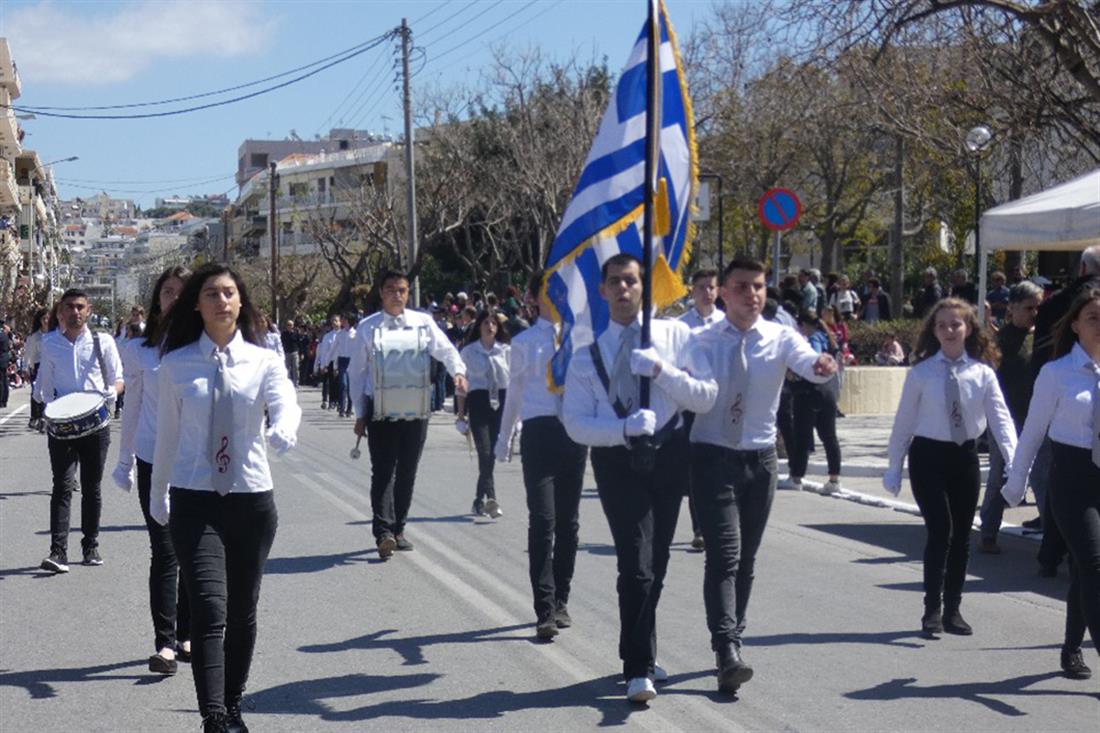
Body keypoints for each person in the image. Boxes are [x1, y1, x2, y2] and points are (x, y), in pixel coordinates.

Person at [150, 263, 301, 733]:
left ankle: (233, 703)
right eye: (211, 293)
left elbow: (287, 402)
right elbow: (166, 440)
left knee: (242, 611)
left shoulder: (264, 361)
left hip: (251, 499)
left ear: (241, 302)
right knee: (210, 609)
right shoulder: (175, 366)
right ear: (197, 303)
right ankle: (213, 715)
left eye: (229, 293)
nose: (221, 301)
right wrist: (158, 496)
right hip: (195, 500)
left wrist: (283, 429)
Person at [562, 253, 714, 703]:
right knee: (636, 561)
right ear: (603, 290)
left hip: (670, 454)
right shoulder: (588, 353)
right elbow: (575, 422)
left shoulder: (676, 335)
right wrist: (622, 429)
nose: (623, 289)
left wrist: (663, 373)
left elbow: (706, 397)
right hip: (617, 460)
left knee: (658, 560)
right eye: (615, 282)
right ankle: (638, 667)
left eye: (631, 281)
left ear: (644, 287)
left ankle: (638, 646)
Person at [686, 258, 838, 694]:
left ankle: (734, 632)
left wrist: (823, 364)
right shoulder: (702, 340)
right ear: (723, 293)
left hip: (761, 459)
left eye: (758, 286)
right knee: (725, 556)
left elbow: (808, 361)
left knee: (747, 560)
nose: (752, 294)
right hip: (713, 456)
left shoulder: (779, 336)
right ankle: (726, 648)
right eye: (741, 286)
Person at [884, 298, 1016, 637]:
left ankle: (954, 608)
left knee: (961, 536)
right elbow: (904, 422)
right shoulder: (922, 373)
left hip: (964, 457)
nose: (948, 331)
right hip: (928, 457)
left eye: (955, 324)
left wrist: (1015, 461)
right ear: (934, 330)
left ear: (969, 328)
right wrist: (894, 465)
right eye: (941, 325)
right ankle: (932, 609)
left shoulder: (982, 373)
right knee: (939, 530)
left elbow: (1001, 420)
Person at [1003, 288, 1100, 681]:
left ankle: (1071, 647)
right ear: (1075, 325)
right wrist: (1015, 483)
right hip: (1073, 479)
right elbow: (1032, 434)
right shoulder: (1056, 373)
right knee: (1094, 565)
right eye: (1093, 317)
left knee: (1084, 572)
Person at [495, 271, 589, 640]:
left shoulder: (580, 339)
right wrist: (505, 438)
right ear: (534, 298)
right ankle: (544, 608)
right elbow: (514, 392)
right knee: (543, 520)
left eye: (561, 292)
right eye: (547, 291)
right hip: (538, 433)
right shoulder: (524, 342)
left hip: (574, 433)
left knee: (569, 524)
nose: (555, 297)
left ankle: (562, 598)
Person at [349, 271, 468, 559]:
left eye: (402, 290)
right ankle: (383, 532)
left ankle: (399, 528)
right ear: (381, 292)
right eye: (391, 289)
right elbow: (357, 373)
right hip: (380, 410)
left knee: (407, 471)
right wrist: (360, 411)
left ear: (407, 293)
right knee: (383, 471)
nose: (397, 295)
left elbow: (447, 350)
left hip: (416, 409)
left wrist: (459, 373)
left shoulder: (423, 323)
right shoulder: (367, 328)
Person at [112, 265, 193, 675]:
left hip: (195, 463)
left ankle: (186, 632)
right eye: (166, 292)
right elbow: (133, 409)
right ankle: (165, 644)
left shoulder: (206, 347)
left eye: (181, 291)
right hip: (151, 458)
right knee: (164, 551)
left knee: (193, 550)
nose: (173, 298)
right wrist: (125, 461)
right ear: (157, 299)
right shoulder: (141, 350)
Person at [37, 289, 124, 573]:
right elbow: (44, 385)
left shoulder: (104, 341)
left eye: (80, 307)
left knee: (91, 487)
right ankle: (57, 551)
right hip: (61, 424)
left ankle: (90, 545)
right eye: (69, 307)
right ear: (60, 312)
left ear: (88, 310)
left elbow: (119, 378)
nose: (75, 312)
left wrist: (111, 392)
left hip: (94, 424)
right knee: (61, 486)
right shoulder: (49, 343)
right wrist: (46, 406)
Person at [1028, 245, 1100, 573]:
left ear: (1081, 268)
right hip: (1064, 420)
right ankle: (1056, 547)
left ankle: (1053, 547)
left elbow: (1039, 348)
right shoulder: (1064, 306)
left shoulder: (1055, 301)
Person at [978, 281, 1041, 553]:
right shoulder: (997, 342)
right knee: (999, 476)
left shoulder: (1043, 338)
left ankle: (1054, 538)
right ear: (1012, 308)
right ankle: (989, 532)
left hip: (1036, 418)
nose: (1034, 313)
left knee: (1042, 477)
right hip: (1004, 420)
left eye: (1038, 307)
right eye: (1029, 308)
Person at [679, 269, 724, 551]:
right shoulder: (681, 326)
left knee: (721, 467)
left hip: (722, 403)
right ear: (692, 291)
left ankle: (722, 523)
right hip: (692, 404)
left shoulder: (727, 322)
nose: (707, 292)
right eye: (701, 287)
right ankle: (700, 528)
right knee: (696, 469)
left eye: (711, 287)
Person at [456, 309, 510, 519]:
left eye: (494, 323)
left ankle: (479, 500)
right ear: (479, 326)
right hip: (478, 403)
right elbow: (461, 387)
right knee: (484, 452)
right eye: (486, 323)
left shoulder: (506, 351)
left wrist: (518, 416)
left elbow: (516, 384)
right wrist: (461, 416)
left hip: (502, 404)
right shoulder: (468, 352)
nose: (490, 327)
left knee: (493, 454)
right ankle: (492, 500)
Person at [788, 310, 843, 494]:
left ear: (804, 324)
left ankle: (797, 478)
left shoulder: (809, 340)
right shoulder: (825, 336)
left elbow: (815, 363)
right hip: (826, 391)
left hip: (807, 391)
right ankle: (834, 479)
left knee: (802, 436)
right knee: (829, 436)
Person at [22, 308, 49, 431]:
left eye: (48, 318)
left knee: (47, 392)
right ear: (40, 320)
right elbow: (28, 353)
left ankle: (44, 417)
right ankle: (35, 416)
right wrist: (27, 368)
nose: (46, 321)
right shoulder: (34, 336)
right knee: (36, 392)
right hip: (37, 366)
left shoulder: (54, 334)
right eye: (44, 318)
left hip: (50, 366)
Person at [314, 314, 340, 410]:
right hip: (330, 362)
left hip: (341, 361)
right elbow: (324, 351)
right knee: (330, 382)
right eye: (333, 321)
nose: (334, 323)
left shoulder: (343, 334)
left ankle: (339, 401)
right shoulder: (328, 336)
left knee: (339, 383)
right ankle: (329, 401)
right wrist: (323, 365)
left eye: (336, 321)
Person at [333, 315, 356, 417]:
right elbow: (333, 349)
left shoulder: (355, 334)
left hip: (352, 361)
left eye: (344, 320)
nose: (342, 321)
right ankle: (342, 408)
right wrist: (327, 363)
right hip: (342, 361)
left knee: (351, 386)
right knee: (343, 384)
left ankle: (349, 409)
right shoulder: (340, 334)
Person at [280, 319, 301, 387]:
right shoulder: (284, 334)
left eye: (291, 325)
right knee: (286, 368)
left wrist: (301, 353)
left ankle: (296, 383)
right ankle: (287, 382)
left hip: (294, 352)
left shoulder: (296, 333)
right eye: (288, 325)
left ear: (293, 326)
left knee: (296, 368)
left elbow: (299, 343)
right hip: (287, 352)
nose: (289, 326)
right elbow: (281, 343)